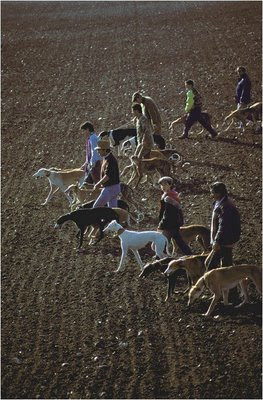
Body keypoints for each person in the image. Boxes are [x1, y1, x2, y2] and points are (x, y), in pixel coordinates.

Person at [206, 182, 241, 271]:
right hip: (222, 241)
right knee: (224, 265)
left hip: (224, 241)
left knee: (212, 265)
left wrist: (217, 241)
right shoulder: (219, 203)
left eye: (212, 193)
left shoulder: (226, 207)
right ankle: (230, 284)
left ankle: (222, 284)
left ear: (219, 193)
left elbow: (223, 226)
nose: (211, 195)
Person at [157, 176, 192, 255]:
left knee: (164, 243)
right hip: (174, 224)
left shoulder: (169, 197)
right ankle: (190, 254)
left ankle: (159, 258)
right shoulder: (169, 195)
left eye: (165, 184)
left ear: (170, 185)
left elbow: (167, 213)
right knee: (179, 242)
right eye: (161, 185)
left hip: (169, 224)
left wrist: (161, 224)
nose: (163, 187)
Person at [92, 139, 121, 208]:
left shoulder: (110, 160)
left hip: (110, 188)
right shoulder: (107, 158)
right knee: (113, 210)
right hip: (114, 187)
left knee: (96, 208)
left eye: (99, 150)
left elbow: (107, 176)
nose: (98, 151)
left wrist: (98, 184)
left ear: (104, 150)